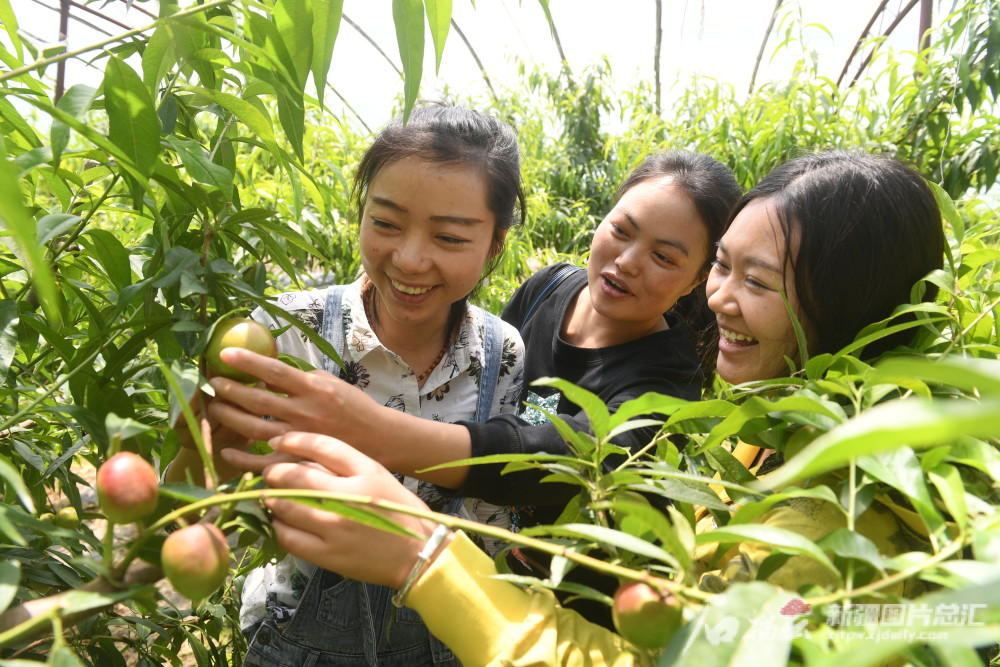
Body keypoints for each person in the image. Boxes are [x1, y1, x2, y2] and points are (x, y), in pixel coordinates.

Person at [224, 150, 947, 665]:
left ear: (853, 308)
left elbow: (558, 454)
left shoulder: (838, 510)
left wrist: (416, 528)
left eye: (753, 280)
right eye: (726, 265)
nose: (722, 297)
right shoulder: (760, 428)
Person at [205, 150, 743, 626]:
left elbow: (568, 457)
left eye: (664, 257)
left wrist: (377, 430)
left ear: (699, 278)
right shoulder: (550, 289)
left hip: (559, 606)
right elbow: (486, 391)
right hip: (445, 570)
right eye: (621, 230)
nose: (626, 262)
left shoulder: (669, 380)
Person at [171, 102, 528, 666]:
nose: (410, 259)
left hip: (444, 640)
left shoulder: (501, 351)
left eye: (451, 238)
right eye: (385, 223)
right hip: (299, 640)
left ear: (496, 245)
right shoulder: (284, 331)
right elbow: (197, 505)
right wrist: (198, 442)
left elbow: (483, 524)